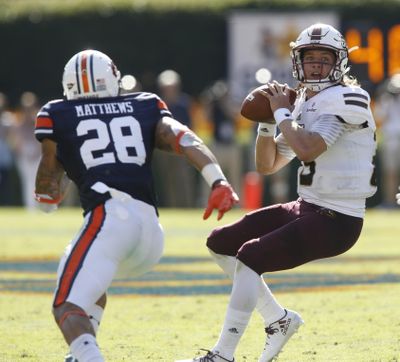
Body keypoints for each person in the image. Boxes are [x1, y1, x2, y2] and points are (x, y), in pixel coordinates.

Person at [177, 23, 377, 362]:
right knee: (220, 242)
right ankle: (278, 320)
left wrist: (282, 111)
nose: (315, 65)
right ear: (298, 61)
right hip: (308, 207)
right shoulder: (302, 104)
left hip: (338, 219)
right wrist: (269, 123)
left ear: (339, 62)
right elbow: (267, 164)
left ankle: (222, 355)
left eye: (323, 58)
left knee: (251, 256)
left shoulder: (349, 97)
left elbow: (309, 149)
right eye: (309, 57)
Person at [34, 49, 239, 362]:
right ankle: (82, 353)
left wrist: (47, 193)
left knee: (65, 302)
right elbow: (185, 139)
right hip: (150, 234)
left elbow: (48, 183)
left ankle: (88, 357)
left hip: (110, 219)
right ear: (113, 77)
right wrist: (218, 181)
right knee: (91, 282)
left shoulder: (56, 112)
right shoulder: (145, 103)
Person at [152, 69, 197, 207]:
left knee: (183, 179)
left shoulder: (185, 103)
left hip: (181, 146)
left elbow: (190, 124)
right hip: (164, 148)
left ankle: (187, 206)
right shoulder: (158, 103)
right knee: (167, 180)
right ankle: (172, 206)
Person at [373, 72, 400, 208]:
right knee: (390, 173)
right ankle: (390, 202)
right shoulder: (386, 99)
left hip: (394, 139)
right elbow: (379, 118)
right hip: (391, 140)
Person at [11, 91, 41, 209]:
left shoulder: (39, 119)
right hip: (24, 156)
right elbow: (16, 141)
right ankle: (30, 207)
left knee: (38, 182)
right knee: (28, 182)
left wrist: (36, 152)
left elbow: (42, 139)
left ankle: (41, 206)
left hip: (38, 155)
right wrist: (24, 151)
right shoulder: (18, 121)